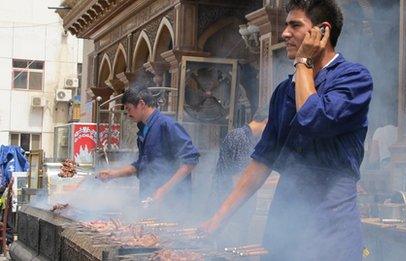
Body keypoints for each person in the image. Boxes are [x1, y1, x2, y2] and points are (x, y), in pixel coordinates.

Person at [201, 0, 373, 260]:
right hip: (286, 214)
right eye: (284, 25)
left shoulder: (354, 77)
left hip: (330, 218)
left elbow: (313, 118)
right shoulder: (284, 91)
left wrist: (303, 62)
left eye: (295, 25)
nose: (284, 34)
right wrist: (217, 219)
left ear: (322, 32)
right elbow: (262, 161)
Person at [98, 85, 200, 220]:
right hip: (151, 201)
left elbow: (190, 160)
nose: (127, 114)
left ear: (141, 104)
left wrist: (164, 190)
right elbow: (142, 164)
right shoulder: (144, 129)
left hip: (172, 204)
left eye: (129, 109)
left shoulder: (166, 125)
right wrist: (113, 174)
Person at [210, 107, 268, 245]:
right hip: (229, 201)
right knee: (229, 248)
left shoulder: (251, 138)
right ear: (267, 121)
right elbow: (240, 177)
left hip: (237, 204)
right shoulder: (240, 136)